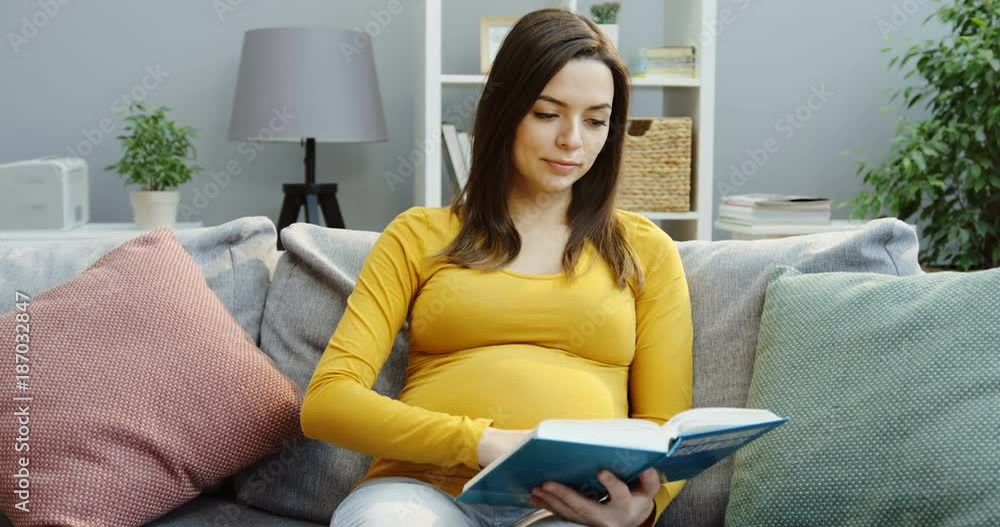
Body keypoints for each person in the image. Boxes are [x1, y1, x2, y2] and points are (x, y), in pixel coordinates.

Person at [300, 8, 693, 527]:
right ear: (503, 112)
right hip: (421, 493)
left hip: (572, 507)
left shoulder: (644, 249)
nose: (573, 140)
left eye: (596, 120)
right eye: (547, 113)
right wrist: (482, 442)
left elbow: (666, 428)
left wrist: (645, 507)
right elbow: (327, 401)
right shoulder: (420, 235)